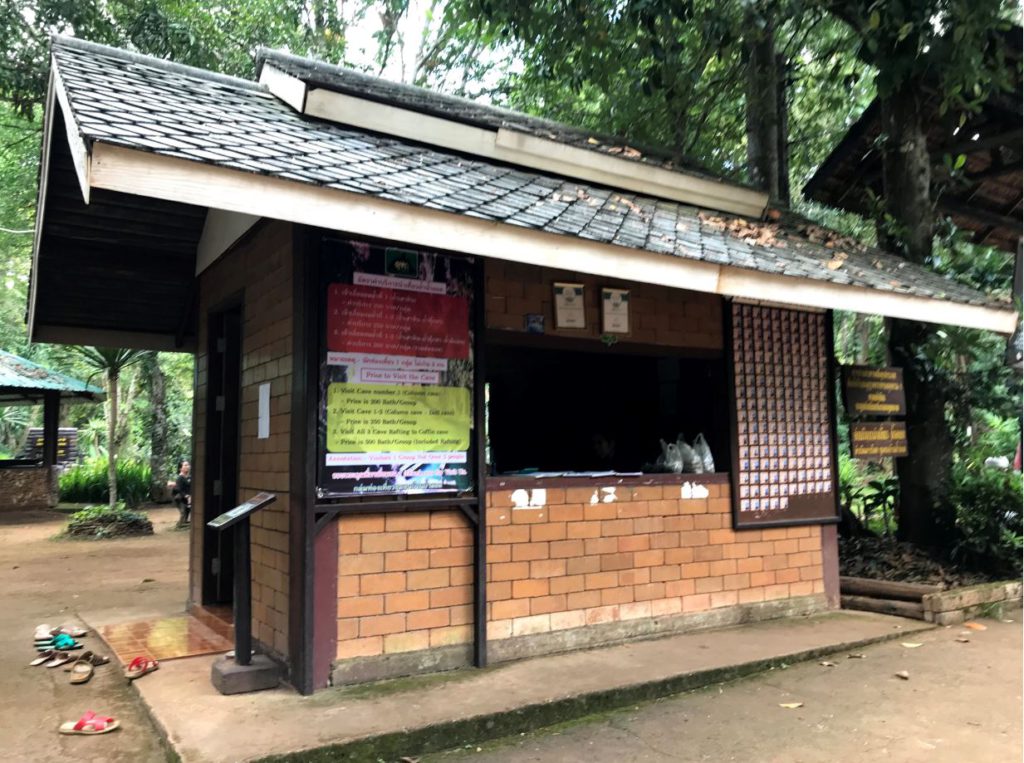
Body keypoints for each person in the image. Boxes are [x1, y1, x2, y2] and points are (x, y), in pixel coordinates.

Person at [172, 460, 191, 527]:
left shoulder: (190, 477)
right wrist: (186, 495)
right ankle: (179, 526)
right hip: (179, 498)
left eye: (188, 465)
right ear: (180, 468)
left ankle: (183, 523)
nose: (187, 466)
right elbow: (178, 489)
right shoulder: (180, 478)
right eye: (185, 465)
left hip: (188, 498)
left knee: (187, 512)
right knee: (183, 513)